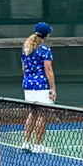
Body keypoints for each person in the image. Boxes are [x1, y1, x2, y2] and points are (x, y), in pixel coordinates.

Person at [19, 21, 56, 151]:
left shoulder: (26, 48)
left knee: (33, 112)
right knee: (43, 114)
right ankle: (38, 145)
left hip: (28, 84)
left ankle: (26, 142)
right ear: (46, 35)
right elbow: (48, 69)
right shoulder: (45, 49)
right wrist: (53, 88)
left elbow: (24, 68)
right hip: (42, 86)